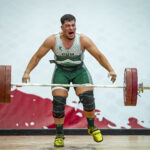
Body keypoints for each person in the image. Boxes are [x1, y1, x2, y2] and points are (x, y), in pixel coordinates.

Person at [22, 14, 117, 147]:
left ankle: (92, 127)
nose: (71, 28)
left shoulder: (83, 39)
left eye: (73, 25)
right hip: (61, 72)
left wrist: (110, 70)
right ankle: (59, 135)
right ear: (62, 27)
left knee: (88, 99)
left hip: (79, 71)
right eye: (68, 26)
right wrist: (27, 72)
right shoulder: (52, 40)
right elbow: (37, 56)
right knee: (58, 103)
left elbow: (99, 56)